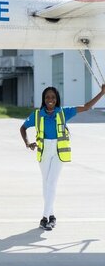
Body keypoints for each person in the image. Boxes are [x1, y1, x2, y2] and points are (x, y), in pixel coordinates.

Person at [20, 84, 105, 231]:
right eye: (47, 97)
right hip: (44, 151)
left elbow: (86, 107)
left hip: (59, 152)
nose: (50, 100)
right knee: (46, 184)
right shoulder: (37, 114)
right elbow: (23, 127)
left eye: (53, 97)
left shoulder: (64, 112)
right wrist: (28, 143)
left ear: (57, 99)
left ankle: (44, 218)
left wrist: (102, 93)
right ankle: (52, 216)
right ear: (43, 99)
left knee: (51, 183)